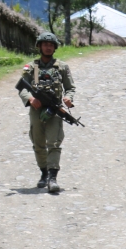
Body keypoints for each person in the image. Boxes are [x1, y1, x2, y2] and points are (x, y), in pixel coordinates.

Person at [17, 32, 77, 194]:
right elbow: (22, 88)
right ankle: (43, 172)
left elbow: (70, 87)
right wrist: (30, 99)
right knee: (38, 143)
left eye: (51, 45)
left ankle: (52, 177)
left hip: (54, 109)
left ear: (55, 47)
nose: (48, 47)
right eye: (45, 44)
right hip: (36, 110)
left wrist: (68, 98)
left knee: (54, 143)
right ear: (39, 46)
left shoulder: (62, 67)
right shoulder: (32, 67)